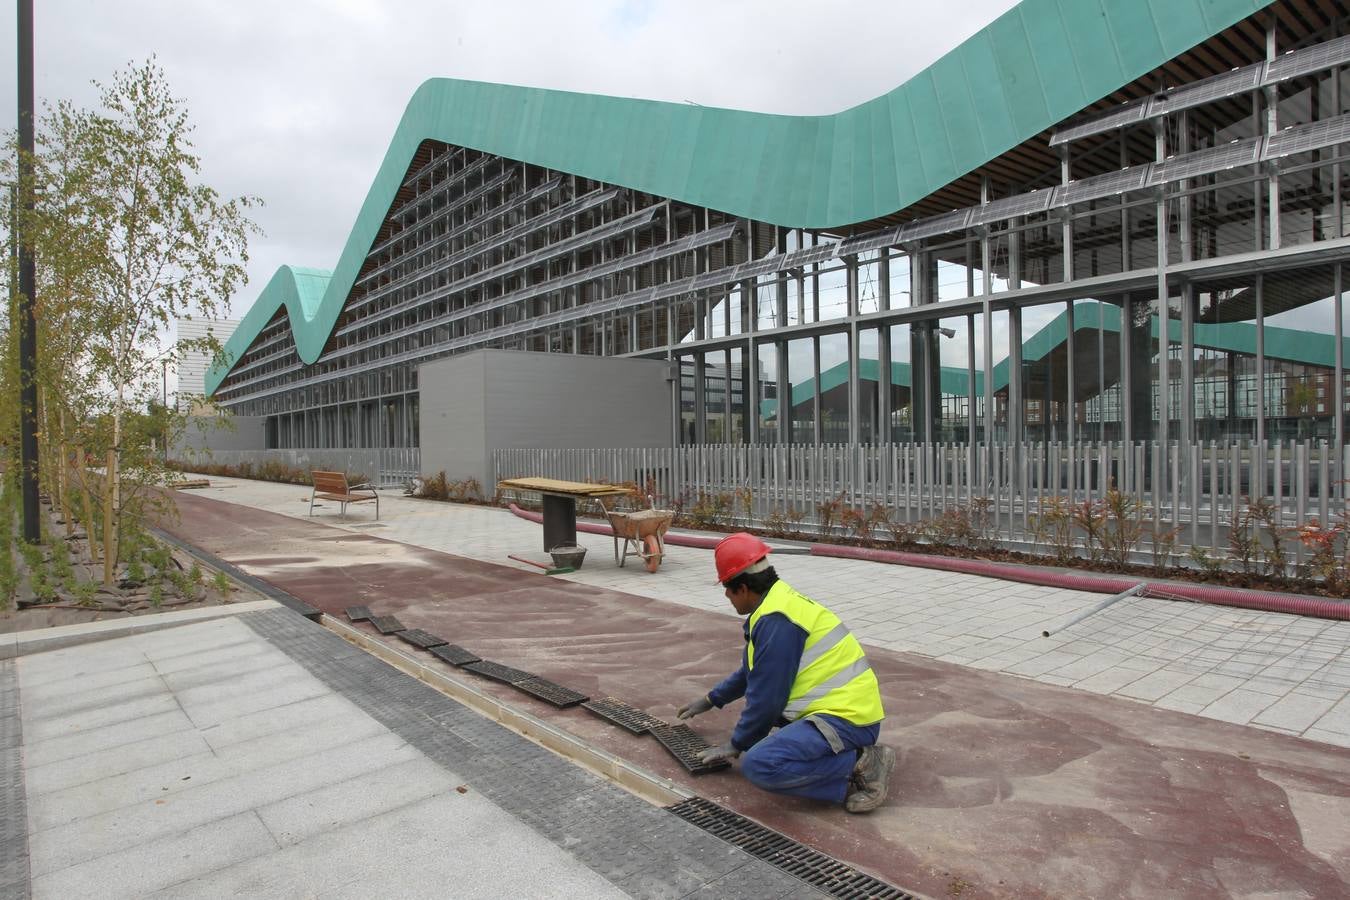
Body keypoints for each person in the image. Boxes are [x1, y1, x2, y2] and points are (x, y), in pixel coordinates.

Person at [677, 532, 894, 813]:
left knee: (760, 764)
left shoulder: (778, 621)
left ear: (743, 588)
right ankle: (849, 758)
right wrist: (711, 699)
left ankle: (862, 763)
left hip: (847, 720)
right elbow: (753, 672)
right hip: (845, 711)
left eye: (728, 590)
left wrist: (737, 743)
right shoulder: (778, 604)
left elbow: (767, 698)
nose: (727, 596)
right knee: (769, 740)